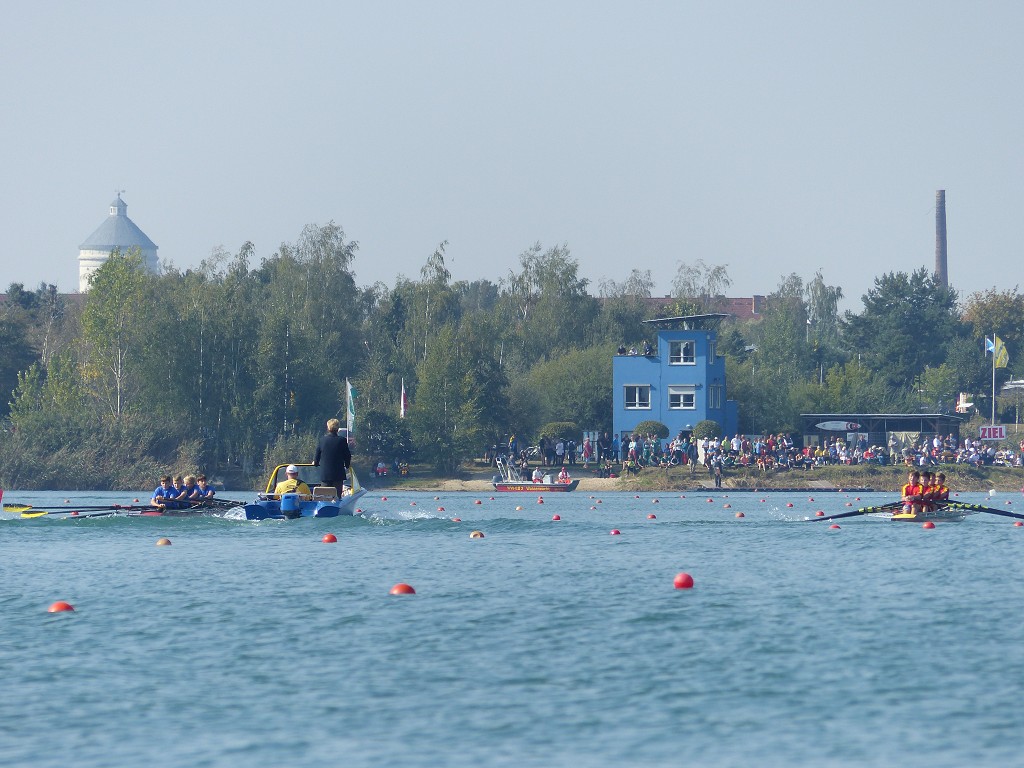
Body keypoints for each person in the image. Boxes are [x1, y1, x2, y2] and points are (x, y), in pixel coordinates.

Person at [314, 418, 352, 495]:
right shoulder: (342, 440)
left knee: (325, 497)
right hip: (338, 474)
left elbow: (317, 456)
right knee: (337, 496)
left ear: (328, 428)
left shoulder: (322, 440)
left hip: (325, 474)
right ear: (338, 429)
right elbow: (347, 455)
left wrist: (316, 463)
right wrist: (347, 465)